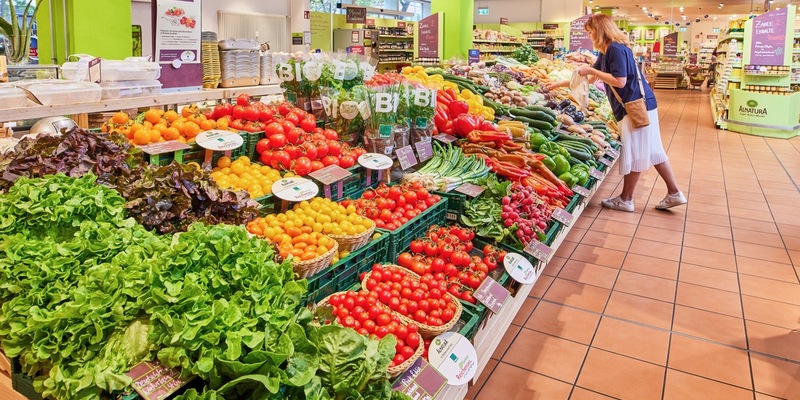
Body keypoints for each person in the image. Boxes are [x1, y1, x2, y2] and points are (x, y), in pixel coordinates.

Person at [545, 14, 686, 212]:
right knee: (654, 150)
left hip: (634, 107)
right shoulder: (607, 50)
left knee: (638, 151)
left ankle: (627, 199)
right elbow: (590, 80)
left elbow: (619, 81)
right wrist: (557, 84)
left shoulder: (615, 50)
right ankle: (674, 193)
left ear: (600, 30)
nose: (589, 34)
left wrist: (591, 71)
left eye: (591, 30)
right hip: (641, 105)